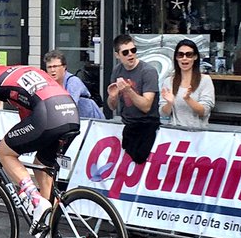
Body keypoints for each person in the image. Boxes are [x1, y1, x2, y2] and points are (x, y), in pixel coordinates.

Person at [0, 46, 80, 238]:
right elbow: (27, 116)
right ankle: (49, 237)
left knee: (5, 152)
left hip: (49, 114)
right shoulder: (22, 69)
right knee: (42, 168)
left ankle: (34, 200)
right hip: (70, 113)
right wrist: (23, 142)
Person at [106, 34, 160, 163]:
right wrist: (112, 97)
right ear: (117, 55)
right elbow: (112, 106)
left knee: (141, 161)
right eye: (125, 52)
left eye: (133, 50)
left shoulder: (148, 71)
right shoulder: (117, 70)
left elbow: (146, 106)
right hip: (128, 125)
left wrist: (128, 90)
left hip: (148, 125)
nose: (130, 54)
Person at [159, 39, 215, 129]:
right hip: (174, 131)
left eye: (189, 55)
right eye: (180, 55)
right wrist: (169, 103)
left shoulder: (205, 80)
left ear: (195, 57)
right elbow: (163, 113)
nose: (184, 58)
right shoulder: (168, 81)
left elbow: (204, 111)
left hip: (198, 133)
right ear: (176, 58)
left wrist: (188, 99)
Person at [43, 49, 105, 121]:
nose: (52, 70)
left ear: (64, 67)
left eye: (55, 66)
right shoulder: (47, 84)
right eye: (49, 67)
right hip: (71, 120)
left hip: (90, 120)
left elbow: (70, 106)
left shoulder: (73, 82)